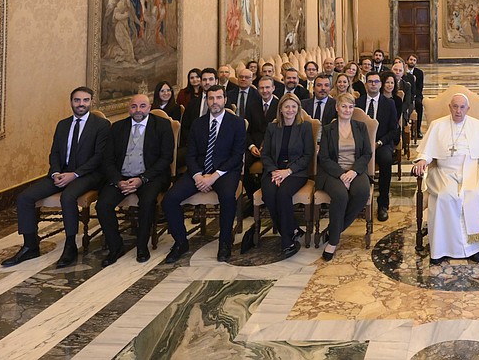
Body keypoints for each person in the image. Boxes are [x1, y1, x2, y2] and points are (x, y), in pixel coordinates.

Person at [2, 87, 111, 268]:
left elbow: (99, 157)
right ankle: (30, 246)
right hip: (61, 173)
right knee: (24, 198)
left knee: (68, 197)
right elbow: (55, 153)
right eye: (77, 100)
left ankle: (70, 246)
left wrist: (74, 175)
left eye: (85, 100)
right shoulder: (63, 125)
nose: (81, 104)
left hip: (88, 175)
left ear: (91, 102)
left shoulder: (101, 125)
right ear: (71, 102)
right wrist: (55, 173)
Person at [162, 84, 247, 263]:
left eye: (218, 98)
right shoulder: (198, 123)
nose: (214, 102)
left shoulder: (237, 123)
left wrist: (214, 176)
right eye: (211, 98)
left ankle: (225, 243)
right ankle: (180, 242)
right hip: (199, 172)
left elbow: (237, 155)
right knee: (169, 199)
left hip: (225, 172)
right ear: (206, 100)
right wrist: (198, 176)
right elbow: (191, 154)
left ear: (225, 100)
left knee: (227, 197)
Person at [413, 94, 479, 263]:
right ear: (449, 107)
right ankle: (442, 247)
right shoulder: (437, 126)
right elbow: (427, 151)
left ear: (467, 109)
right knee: (445, 196)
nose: (458, 111)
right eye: (455, 106)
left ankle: (475, 246)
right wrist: (423, 159)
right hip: (444, 171)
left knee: (475, 194)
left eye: (462, 107)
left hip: (472, 170)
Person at [96, 93, 174, 266]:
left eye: (142, 106)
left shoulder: (162, 125)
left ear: (149, 107)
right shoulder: (117, 127)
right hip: (122, 176)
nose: (138, 110)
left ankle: (141, 246)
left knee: (147, 202)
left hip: (151, 176)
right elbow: (107, 159)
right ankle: (115, 246)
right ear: (128, 108)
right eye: (134, 106)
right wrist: (118, 181)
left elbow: (166, 158)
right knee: (102, 205)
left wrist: (143, 178)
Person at [317, 93, 372, 260]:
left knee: (362, 192)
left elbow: (366, 153)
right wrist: (342, 175)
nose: (347, 110)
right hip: (333, 172)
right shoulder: (327, 129)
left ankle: (335, 228)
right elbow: (324, 158)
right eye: (344, 106)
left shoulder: (360, 127)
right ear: (337, 107)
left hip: (355, 170)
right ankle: (333, 241)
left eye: (350, 106)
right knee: (340, 195)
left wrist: (353, 172)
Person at [260, 93, 315, 260]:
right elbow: (266, 154)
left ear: (298, 109)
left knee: (283, 194)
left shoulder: (304, 127)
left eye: (293, 106)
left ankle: (287, 240)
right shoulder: (272, 127)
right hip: (274, 171)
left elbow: (308, 155)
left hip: (296, 173)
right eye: (287, 107)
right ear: (281, 109)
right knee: (269, 194)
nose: (290, 110)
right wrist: (274, 171)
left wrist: (288, 171)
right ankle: (292, 229)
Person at [356, 71, 398, 222]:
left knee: (386, 160)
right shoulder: (358, 103)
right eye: (370, 81)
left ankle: (383, 204)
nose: (373, 84)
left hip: (381, 143)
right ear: (366, 84)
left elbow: (394, 130)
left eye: (376, 82)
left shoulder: (389, 104)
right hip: (360, 144)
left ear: (380, 84)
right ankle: (357, 200)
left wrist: (379, 143)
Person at [406, 54, 425, 136]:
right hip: (406, 94)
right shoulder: (403, 71)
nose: (412, 61)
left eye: (414, 60)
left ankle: (418, 129)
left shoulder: (419, 73)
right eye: (410, 59)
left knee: (419, 104)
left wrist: (414, 95)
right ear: (407, 61)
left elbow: (420, 87)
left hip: (416, 95)